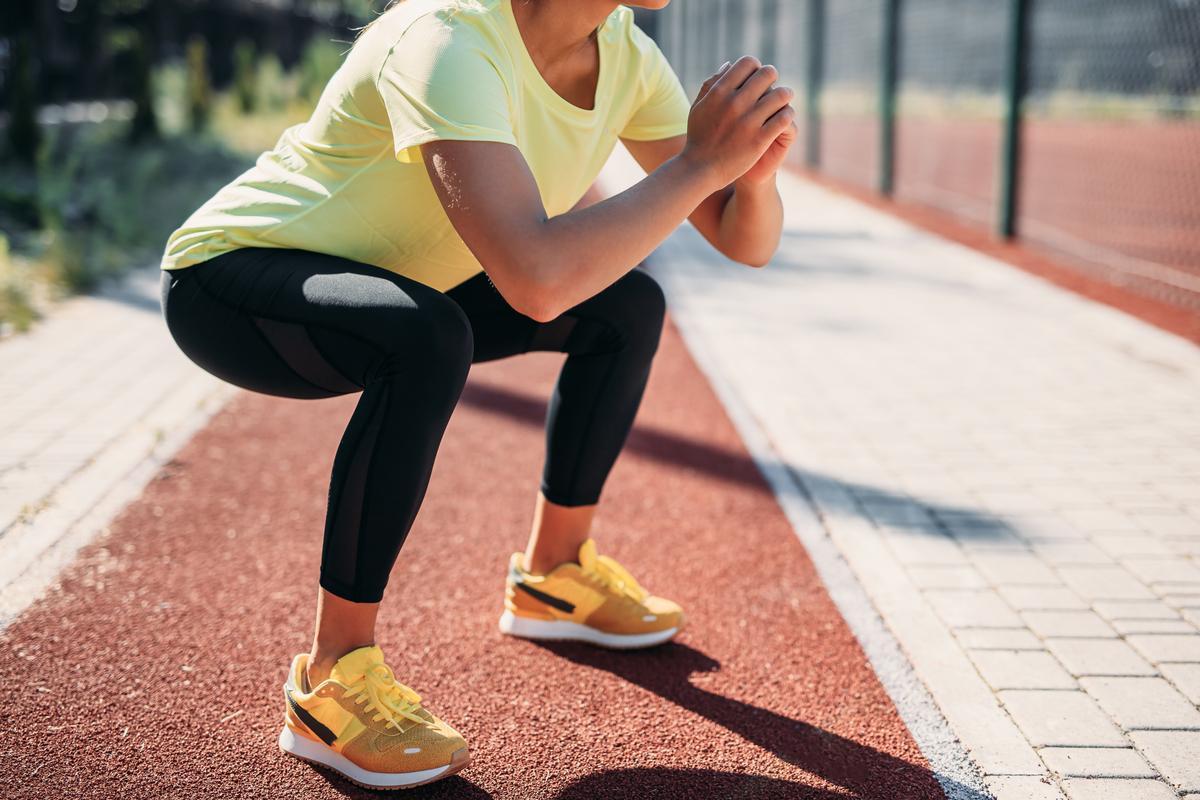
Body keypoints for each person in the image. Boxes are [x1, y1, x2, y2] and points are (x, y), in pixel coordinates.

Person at [158, 0, 794, 789]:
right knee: (426, 336)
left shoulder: (624, 56)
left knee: (626, 310)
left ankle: (554, 576)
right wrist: (696, 166)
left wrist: (747, 174)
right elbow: (534, 279)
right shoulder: (449, 39)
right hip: (232, 280)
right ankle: (332, 680)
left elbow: (745, 238)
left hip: (406, 285)